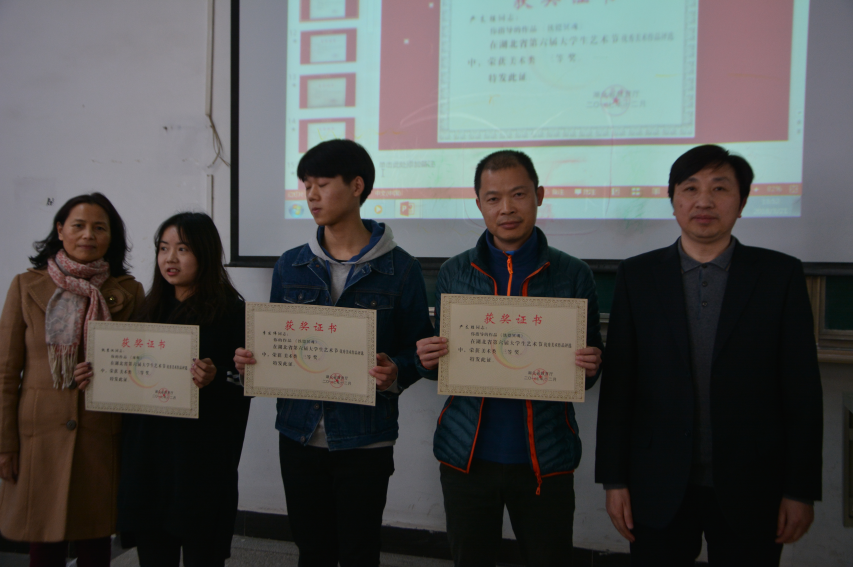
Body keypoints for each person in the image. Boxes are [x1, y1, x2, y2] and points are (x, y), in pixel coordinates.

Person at [595, 145, 823, 567]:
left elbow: (802, 390)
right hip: (655, 482)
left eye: (720, 188)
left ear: (742, 201)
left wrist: (800, 490)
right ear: (673, 200)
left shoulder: (780, 275)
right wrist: (613, 479)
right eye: (690, 188)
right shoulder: (637, 276)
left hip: (754, 484)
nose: (704, 201)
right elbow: (620, 387)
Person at [234, 139, 433, 566]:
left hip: (366, 438)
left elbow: (419, 350)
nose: (311, 195)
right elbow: (276, 344)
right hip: (299, 434)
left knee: (359, 552)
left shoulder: (402, 269)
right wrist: (254, 362)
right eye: (306, 185)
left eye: (322, 184)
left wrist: (396, 372)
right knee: (313, 551)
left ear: (357, 186)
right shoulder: (290, 265)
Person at [415, 150, 604, 567]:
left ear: (539, 195)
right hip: (466, 455)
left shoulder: (573, 274)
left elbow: (587, 375)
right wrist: (426, 359)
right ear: (479, 203)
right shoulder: (454, 272)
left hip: (545, 459)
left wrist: (592, 365)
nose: (506, 208)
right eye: (493, 198)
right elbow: (441, 366)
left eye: (518, 195)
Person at [0, 193, 143, 567]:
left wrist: (105, 372)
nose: (88, 235)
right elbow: (5, 373)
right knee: (42, 539)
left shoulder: (128, 292)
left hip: (101, 435)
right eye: (78, 225)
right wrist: (5, 444)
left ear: (111, 237)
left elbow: (140, 366)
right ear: (60, 230)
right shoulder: (25, 286)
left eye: (99, 227)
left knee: (95, 541)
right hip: (38, 439)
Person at [115, 212, 251, 567]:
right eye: (163, 248)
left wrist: (217, 376)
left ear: (205, 253)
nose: (170, 259)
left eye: (182, 249)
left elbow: (249, 384)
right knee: (153, 553)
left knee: (202, 552)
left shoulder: (233, 313)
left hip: (200, 463)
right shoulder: (147, 310)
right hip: (149, 460)